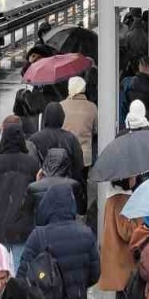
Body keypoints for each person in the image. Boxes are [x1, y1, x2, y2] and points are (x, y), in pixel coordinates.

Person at [0, 121, 38, 271]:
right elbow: (36, 194)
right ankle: (17, 293)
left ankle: (3, 294)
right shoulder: (31, 163)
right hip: (23, 226)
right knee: (20, 268)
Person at [98, 178, 140, 299]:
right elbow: (128, 233)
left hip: (115, 257)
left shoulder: (113, 198)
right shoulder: (122, 200)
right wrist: (139, 220)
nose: (135, 177)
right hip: (122, 261)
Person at [28, 103, 86, 215]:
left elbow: (31, 166)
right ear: (62, 117)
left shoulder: (34, 139)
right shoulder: (70, 138)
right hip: (66, 191)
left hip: (41, 191)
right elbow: (79, 167)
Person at [60, 76, 99, 230]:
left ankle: (66, 214)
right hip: (84, 156)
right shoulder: (92, 107)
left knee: (65, 185)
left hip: (65, 155)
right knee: (81, 186)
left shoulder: (61, 106)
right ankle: (81, 215)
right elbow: (96, 130)